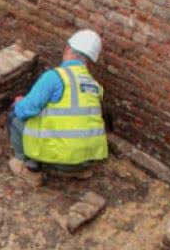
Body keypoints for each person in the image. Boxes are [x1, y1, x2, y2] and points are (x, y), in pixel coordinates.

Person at [8, 29, 108, 182]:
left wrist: (19, 102)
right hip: (90, 158)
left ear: (68, 49)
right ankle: (80, 170)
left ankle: (28, 168)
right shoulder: (95, 85)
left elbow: (26, 110)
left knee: (15, 116)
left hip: (62, 159)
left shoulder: (55, 77)